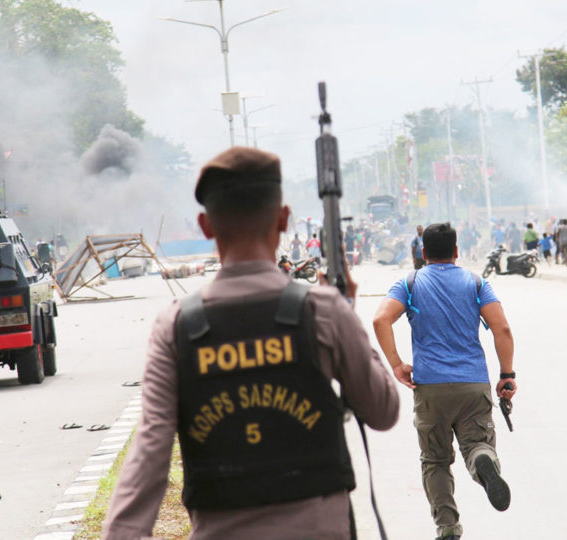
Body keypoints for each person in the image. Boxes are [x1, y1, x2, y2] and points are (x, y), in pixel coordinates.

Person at [102, 147, 399, 540]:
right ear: (283, 219)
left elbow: (152, 444)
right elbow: (383, 410)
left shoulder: (175, 325)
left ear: (206, 226)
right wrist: (346, 313)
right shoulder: (323, 311)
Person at [373, 223, 516, 540]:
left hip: (430, 388)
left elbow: (380, 318)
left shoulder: (409, 283)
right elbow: (502, 329)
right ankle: (482, 460)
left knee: (435, 461)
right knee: (477, 444)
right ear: (456, 251)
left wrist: (397, 364)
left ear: (423, 253)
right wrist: (507, 375)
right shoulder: (477, 283)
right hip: (472, 384)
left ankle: (448, 526)